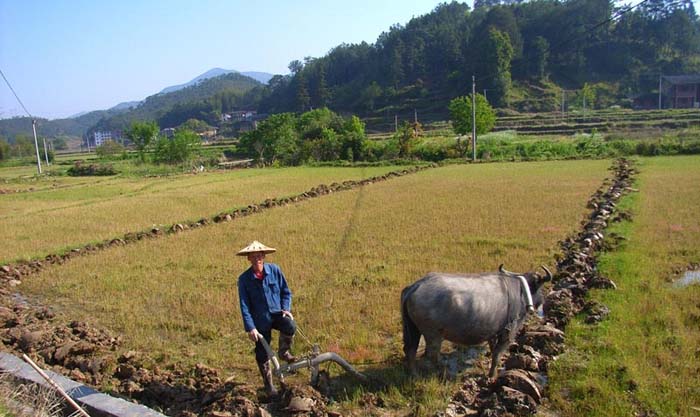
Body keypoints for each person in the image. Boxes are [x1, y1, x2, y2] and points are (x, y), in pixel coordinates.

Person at [237, 240, 297, 396]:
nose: (257, 259)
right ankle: (269, 385)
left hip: (277, 314)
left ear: (264, 256)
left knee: (290, 326)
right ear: (248, 258)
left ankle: (284, 352)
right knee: (262, 353)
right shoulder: (244, 280)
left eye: (259, 256)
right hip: (260, 320)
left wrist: (286, 308)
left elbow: (286, 292)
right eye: (253, 256)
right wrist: (251, 327)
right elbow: (244, 306)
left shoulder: (275, 270)